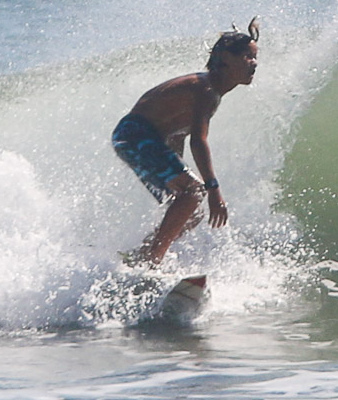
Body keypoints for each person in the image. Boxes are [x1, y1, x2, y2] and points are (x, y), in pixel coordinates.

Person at [111, 18, 259, 266]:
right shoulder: (205, 89)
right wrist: (214, 190)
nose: (254, 64)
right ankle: (152, 260)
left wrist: (177, 168)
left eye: (255, 57)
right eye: (247, 57)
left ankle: (141, 257)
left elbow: (177, 134)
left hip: (135, 137)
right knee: (195, 193)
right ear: (226, 60)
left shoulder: (211, 91)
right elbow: (198, 141)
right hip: (135, 134)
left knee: (191, 212)